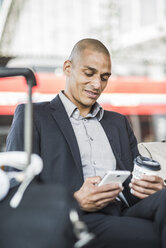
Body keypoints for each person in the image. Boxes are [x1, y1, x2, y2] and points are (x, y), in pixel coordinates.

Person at [6, 38, 166, 248]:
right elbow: (15, 187)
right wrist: (75, 200)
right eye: (89, 73)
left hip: (124, 209)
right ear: (67, 67)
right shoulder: (34, 115)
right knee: (151, 235)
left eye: (104, 77)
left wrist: (152, 187)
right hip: (75, 216)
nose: (97, 85)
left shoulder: (118, 122)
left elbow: (134, 180)